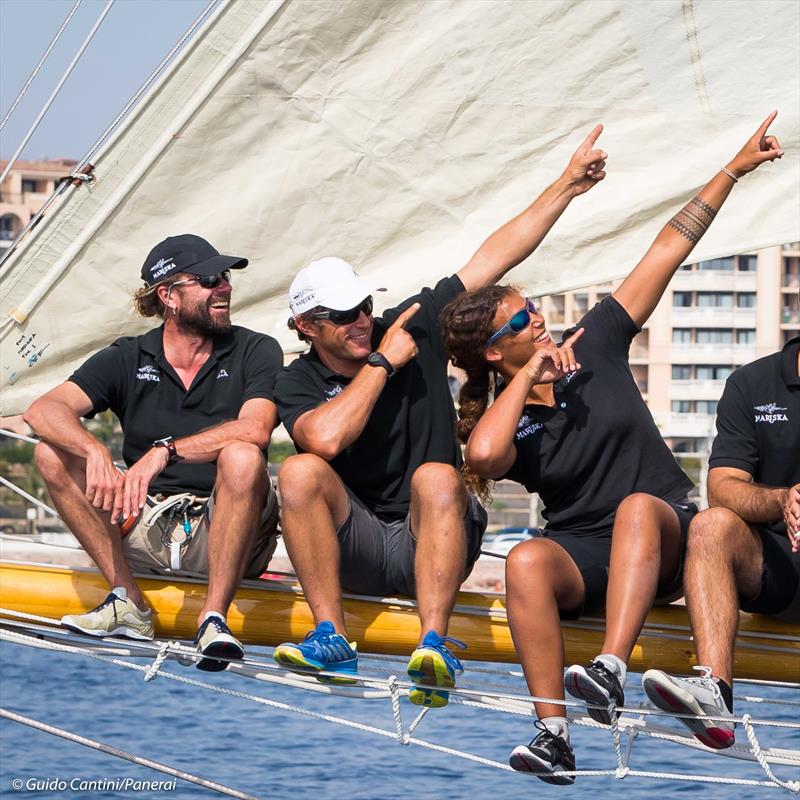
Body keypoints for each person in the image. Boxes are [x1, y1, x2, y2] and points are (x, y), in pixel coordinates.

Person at [439, 113, 782, 783]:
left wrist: (733, 170)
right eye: (520, 319)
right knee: (528, 559)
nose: (537, 318)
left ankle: (611, 668)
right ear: (492, 350)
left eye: (534, 306)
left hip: (668, 531)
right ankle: (552, 733)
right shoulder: (506, 408)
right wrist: (529, 379)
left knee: (635, 509)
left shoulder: (594, 343)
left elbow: (664, 250)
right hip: (591, 553)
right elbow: (482, 458)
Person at [271, 125, 609, 706]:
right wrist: (381, 364)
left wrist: (567, 186)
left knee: (435, 475)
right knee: (298, 472)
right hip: (361, 546)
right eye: (341, 315)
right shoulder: (299, 379)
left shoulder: (412, 325)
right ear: (306, 327)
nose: (360, 320)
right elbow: (323, 440)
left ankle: (434, 644)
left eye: (364, 307)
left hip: (437, 533)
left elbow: (494, 256)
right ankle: (331, 638)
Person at [24, 234, 283, 671]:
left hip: (227, 531)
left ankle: (214, 618)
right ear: (168, 296)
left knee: (242, 456)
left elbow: (255, 428)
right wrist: (93, 452)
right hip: (147, 527)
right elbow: (42, 410)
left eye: (225, 278)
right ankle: (128, 601)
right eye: (209, 279)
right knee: (51, 455)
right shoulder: (129, 356)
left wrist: (165, 451)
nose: (225, 287)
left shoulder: (255, 350)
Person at [642, 323, 799, 749]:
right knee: (710, 524)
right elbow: (724, 486)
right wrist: (784, 499)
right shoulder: (752, 383)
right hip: (781, 568)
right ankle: (715, 695)